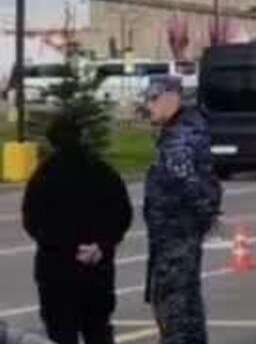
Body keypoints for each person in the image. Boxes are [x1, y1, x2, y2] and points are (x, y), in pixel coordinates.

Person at [22, 111, 134, 344]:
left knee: (61, 331)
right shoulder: (103, 171)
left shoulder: (44, 175)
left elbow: (32, 220)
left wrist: (61, 246)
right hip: (96, 266)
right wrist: (102, 245)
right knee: (98, 329)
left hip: (56, 268)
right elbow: (122, 214)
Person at [141, 75, 222, 344]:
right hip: (176, 234)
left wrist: (198, 217)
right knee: (184, 305)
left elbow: (186, 181)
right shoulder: (184, 128)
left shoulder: (180, 136)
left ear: (171, 98)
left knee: (176, 308)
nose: (148, 105)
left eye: (153, 99)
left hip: (176, 235)